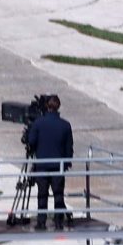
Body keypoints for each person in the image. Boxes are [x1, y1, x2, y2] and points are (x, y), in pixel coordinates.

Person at [19, 95, 73, 228]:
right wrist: (65, 165)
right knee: (58, 194)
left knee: (42, 194)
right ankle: (59, 221)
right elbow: (69, 148)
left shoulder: (38, 123)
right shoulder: (65, 125)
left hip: (42, 165)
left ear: (47, 106)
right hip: (58, 166)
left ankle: (41, 222)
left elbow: (31, 141)